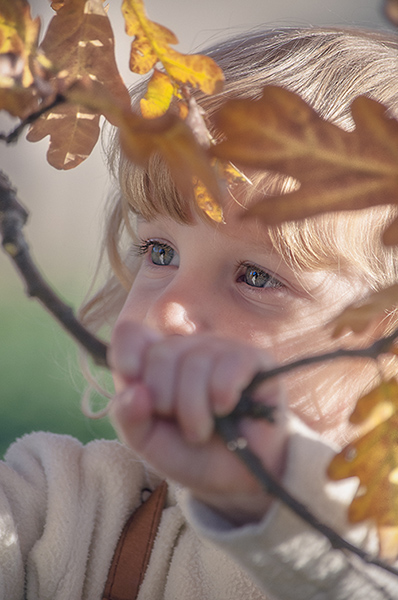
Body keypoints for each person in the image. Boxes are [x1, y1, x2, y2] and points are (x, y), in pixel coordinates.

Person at [2, 26, 398, 600]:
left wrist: (266, 499)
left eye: (256, 276)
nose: (166, 315)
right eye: (159, 253)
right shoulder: (72, 509)